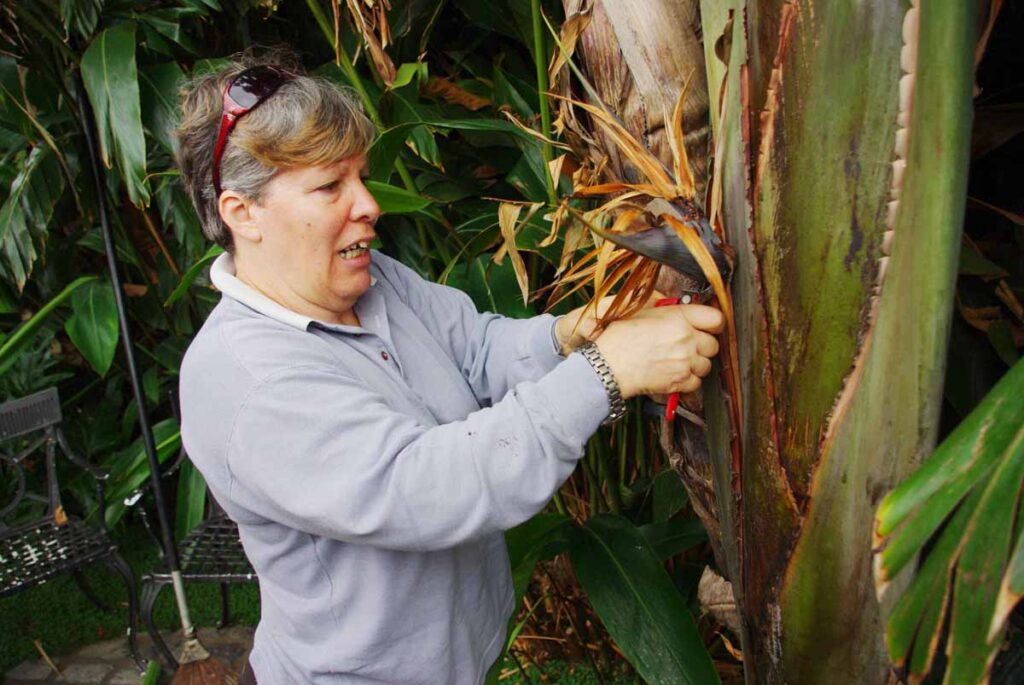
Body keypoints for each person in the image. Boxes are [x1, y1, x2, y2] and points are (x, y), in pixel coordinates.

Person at [176, 54, 724, 685]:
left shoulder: (372, 281)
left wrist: (579, 330)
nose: (369, 205)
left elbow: (474, 349)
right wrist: (606, 372)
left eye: (361, 176)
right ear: (243, 213)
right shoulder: (245, 381)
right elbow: (424, 487)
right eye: (331, 186)